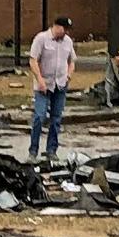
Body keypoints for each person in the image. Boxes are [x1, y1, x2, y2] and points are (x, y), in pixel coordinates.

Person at [26, 15, 76, 161]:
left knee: (56, 119)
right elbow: (33, 60)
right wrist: (40, 80)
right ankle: (33, 151)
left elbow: (72, 61)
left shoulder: (68, 42)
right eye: (64, 29)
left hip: (60, 84)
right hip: (43, 85)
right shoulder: (41, 39)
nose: (66, 32)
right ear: (56, 26)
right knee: (39, 117)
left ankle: (51, 150)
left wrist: (68, 76)